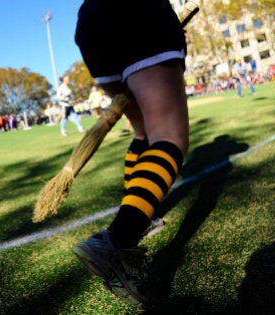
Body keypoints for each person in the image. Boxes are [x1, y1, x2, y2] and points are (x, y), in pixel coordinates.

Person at [71, 0, 191, 306]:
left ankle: (143, 217)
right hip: (138, 11)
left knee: (143, 133)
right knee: (167, 136)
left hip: (91, 21)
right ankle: (118, 241)